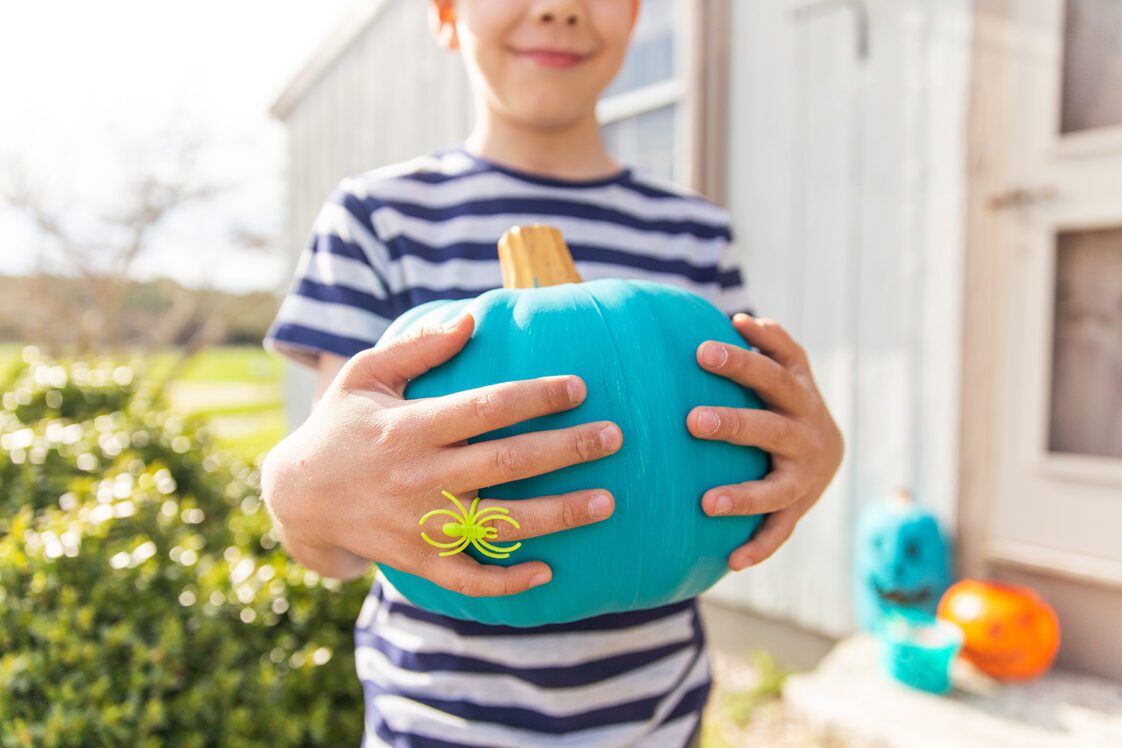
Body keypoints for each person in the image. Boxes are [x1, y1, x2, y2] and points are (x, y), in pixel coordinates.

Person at [260, 1, 845, 745]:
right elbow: (339, 527)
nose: (559, 7)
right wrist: (300, 494)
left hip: (654, 718)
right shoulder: (378, 221)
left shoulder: (693, 233)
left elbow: (741, 437)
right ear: (445, 14)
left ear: (634, 17)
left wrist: (814, 454)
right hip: (439, 723)